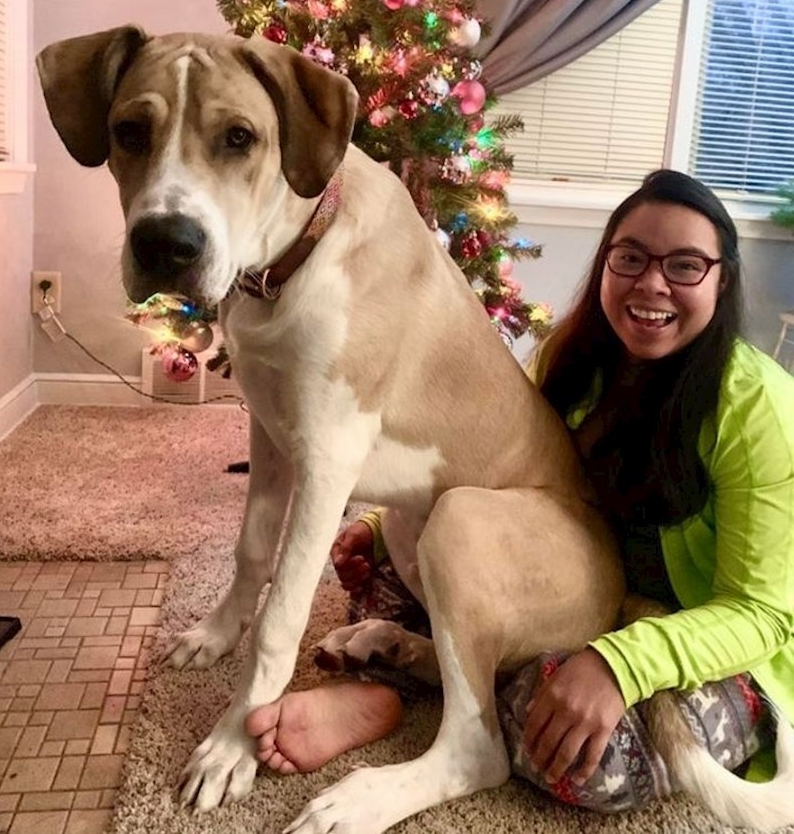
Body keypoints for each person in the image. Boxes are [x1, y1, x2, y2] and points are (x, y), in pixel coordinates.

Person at [244, 169, 794, 812]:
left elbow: (762, 615)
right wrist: (379, 532)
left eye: (685, 265)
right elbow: (498, 466)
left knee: (588, 759)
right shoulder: (572, 356)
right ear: (605, 263)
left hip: (714, 640)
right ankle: (426, 685)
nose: (652, 283)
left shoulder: (758, 409)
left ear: (722, 280)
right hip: (580, 588)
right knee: (403, 552)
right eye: (631, 257)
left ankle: (431, 689)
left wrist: (619, 665)